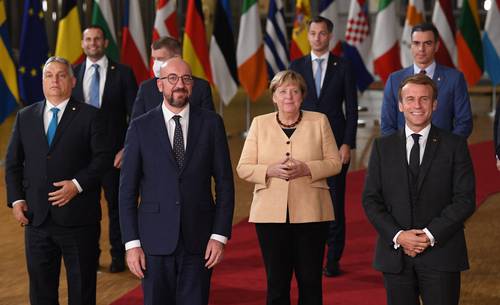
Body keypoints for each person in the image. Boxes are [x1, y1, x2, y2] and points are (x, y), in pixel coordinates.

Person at [119, 57, 234, 305]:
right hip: (153, 241)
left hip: (200, 241)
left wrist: (219, 236)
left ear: (192, 85)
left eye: (186, 78)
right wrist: (132, 244)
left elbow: (225, 184)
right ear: (160, 85)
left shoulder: (212, 124)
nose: (179, 84)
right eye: (172, 78)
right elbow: (127, 191)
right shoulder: (140, 127)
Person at [5, 57, 112, 305]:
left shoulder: (91, 116)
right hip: (37, 220)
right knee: (41, 292)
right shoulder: (25, 116)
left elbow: (104, 159)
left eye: (61, 75)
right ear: (42, 81)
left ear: (73, 81)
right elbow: (12, 163)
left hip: (78, 219)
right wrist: (17, 199)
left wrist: (76, 184)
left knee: (82, 290)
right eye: (49, 75)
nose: (54, 80)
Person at [362, 74, 475, 305]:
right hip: (396, 257)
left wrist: (428, 236)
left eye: (424, 99)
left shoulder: (455, 145)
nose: (417, 105)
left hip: (441, 254)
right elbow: (371, 200)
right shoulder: (383, 147)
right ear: (401, 105)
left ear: (434, 104)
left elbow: (464, 200)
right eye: (410, 99)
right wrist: (399, 236)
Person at [237, 70, 342, 304]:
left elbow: (335, 163)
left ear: (302, 96)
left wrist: (308, 169)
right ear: (273, 96)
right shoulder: (259, 124)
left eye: (294, 91)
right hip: (269, 216)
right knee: (277, 283)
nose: (288, 97)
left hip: (312, 213)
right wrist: (268, 170)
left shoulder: (319, 121)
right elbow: (243, 167)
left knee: (310, 280)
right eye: (282, 91)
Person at [289, 15, 358, 277]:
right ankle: (308, 255)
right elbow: (290, 105)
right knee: (306, 200)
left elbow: (351, 110)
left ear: (330, 36)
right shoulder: (297, 65)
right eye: (313, 33)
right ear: (307, 36)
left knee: (334, 202)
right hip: (304, 143)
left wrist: (347, 143)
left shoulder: (344, 66)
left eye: (322, 33)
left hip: (335, 144)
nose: (317, 38)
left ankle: (333, 258)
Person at [72, 25, 138, 272]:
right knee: (86, 209)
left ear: (105, 42)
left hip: (114, 156)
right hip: (81, 157)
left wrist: (127, 148)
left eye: (97, 39)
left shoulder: (122, 73)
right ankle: (90, 256)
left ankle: (119, 257)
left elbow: (136, 116)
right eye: (88, 39)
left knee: (117, 208)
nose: (92, 43)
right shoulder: (74, 73)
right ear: (82, 43)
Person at [381, 23, 472, 138]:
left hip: (443, 152)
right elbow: (387, 125)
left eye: (427, 43)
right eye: (416, 43)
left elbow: (464, 122)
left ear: (437, 46)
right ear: (411, 45)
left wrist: (448, 150)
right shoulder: (394, 80)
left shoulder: (454, 79)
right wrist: (400, 151)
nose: (421, 49)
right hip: (404, 151)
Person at [131, 36, 214, 119]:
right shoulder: (146, 88)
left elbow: (210, 124)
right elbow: (136, 126)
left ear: (177, 58)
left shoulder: (201, 87)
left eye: (160, 59)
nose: (155, 64)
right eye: (154, 59)